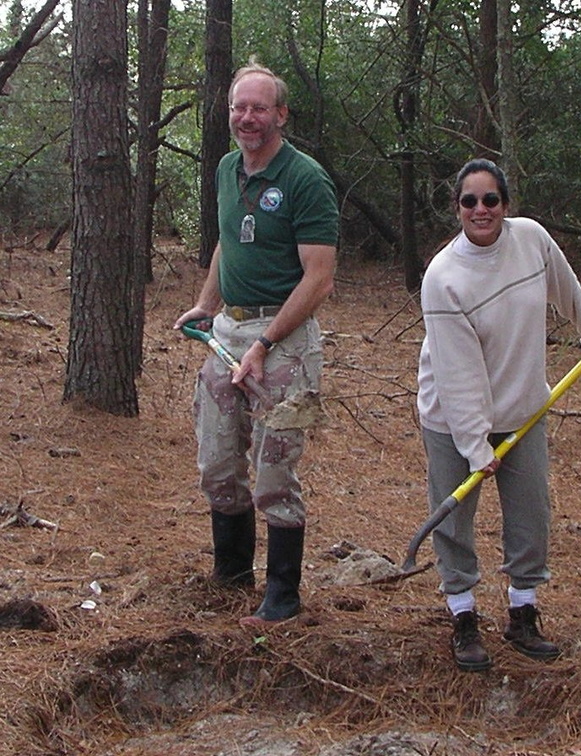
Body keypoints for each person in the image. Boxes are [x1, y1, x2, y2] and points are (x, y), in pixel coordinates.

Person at [417, 158, 581, 671]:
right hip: (452, 418)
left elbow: (567, 291)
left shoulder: (531, 240)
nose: (481, 210)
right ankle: (462, 614)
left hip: (524, 409)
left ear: (505, 203)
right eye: (469, 202)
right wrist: (475, 445)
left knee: (530, 514)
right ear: (457, 209)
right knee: (454, 519)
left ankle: (523, 612)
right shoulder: (444, 277)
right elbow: (459, 376)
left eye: (491, 200)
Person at [174, 60, 339, 625]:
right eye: (238, 108)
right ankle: (232, 575)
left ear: (281, 114)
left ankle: (282, 598)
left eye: (259, 108)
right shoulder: (226, 169)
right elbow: (227, 242)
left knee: (274, 473)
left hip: (284, 345)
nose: (247, 118)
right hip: (227, 335)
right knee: (217, 464)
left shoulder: (305, 178)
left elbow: (319, 277)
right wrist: (207, 304)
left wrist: (265, 344)